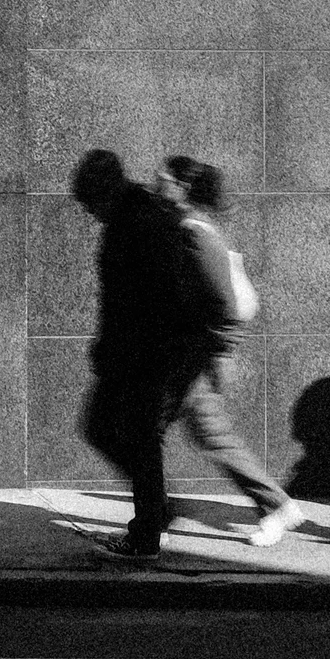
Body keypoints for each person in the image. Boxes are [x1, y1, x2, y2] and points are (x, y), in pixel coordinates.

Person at [158, 156, 307, 547]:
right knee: (186, 433)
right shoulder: (190, 229)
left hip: (191, 359)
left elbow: (225, 304)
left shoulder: (196, 233)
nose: (158, 183)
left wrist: (216, 351)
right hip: (187, 356)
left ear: (182, 188)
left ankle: (274, 505)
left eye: (165, 178)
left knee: (202, 435)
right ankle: (156, 517)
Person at [71, 149, 192, 562]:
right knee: (109, 430)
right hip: (133, 352)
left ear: (103, 193)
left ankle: (146, 535)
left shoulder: (140, 222)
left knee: (135, 438)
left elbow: (152, 298)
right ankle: (155, 509)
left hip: (145, 354)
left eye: (90, 204)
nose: (90, 214)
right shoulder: (132, 218)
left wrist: (138, 350)